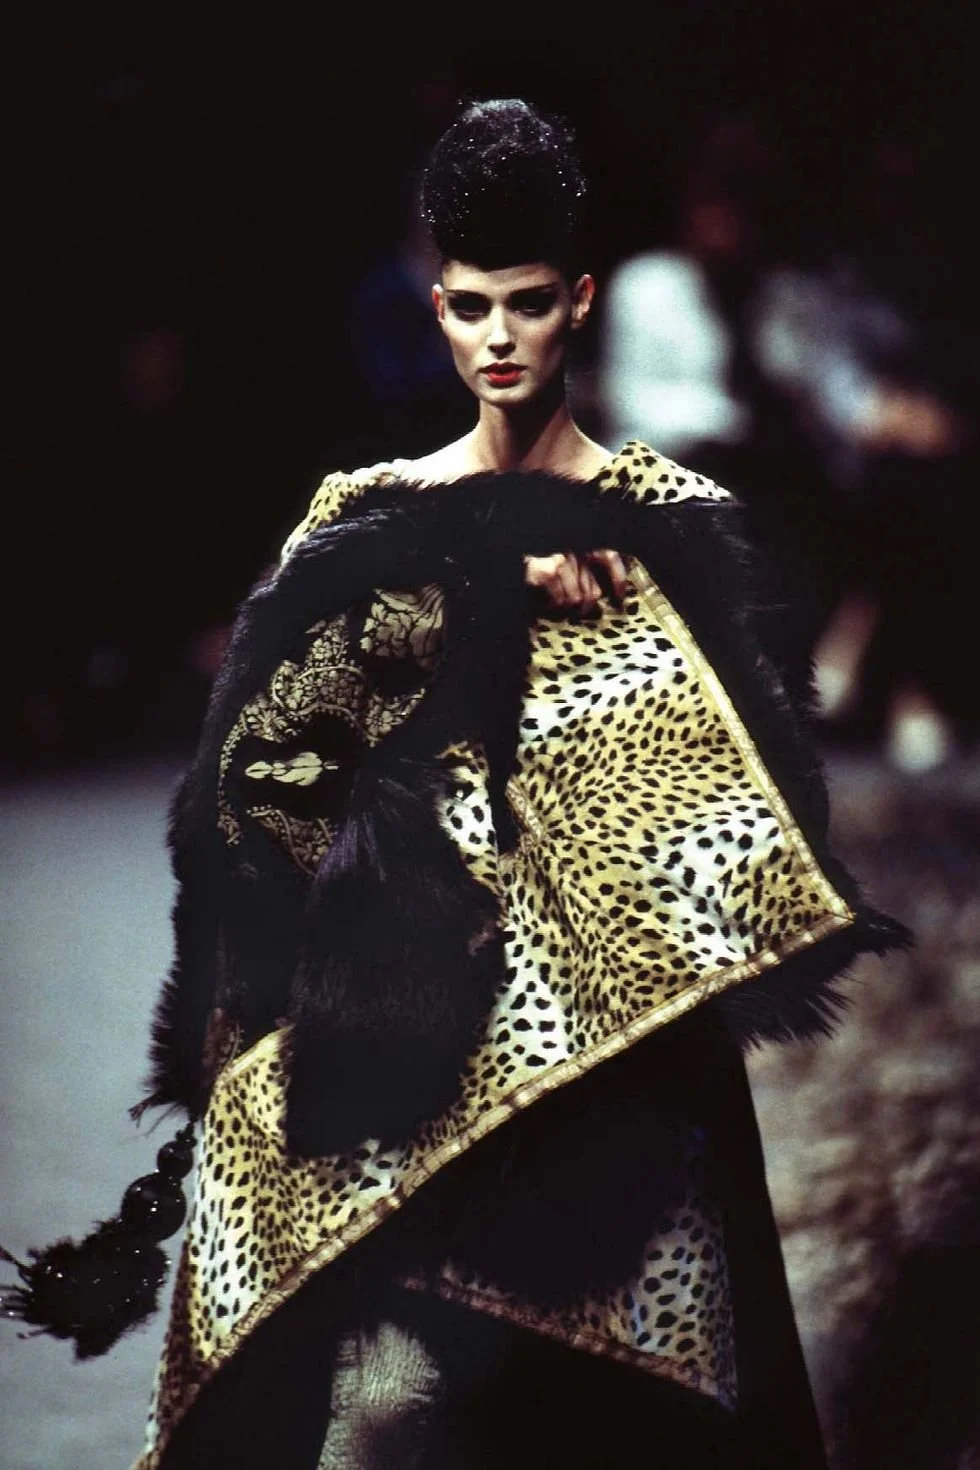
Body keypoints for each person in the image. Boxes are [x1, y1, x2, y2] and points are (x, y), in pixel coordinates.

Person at [3, 99, 907, 1470]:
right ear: (437, 309)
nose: (499, 338)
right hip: (391, 1048)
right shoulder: (362, 516)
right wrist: (475, 586)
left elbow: (745, 833)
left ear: (580, 302)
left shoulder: (679, 532)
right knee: (342, 1340)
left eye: (529, 303)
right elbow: (252, 796)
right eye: (471, 305)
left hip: (602, 1093)